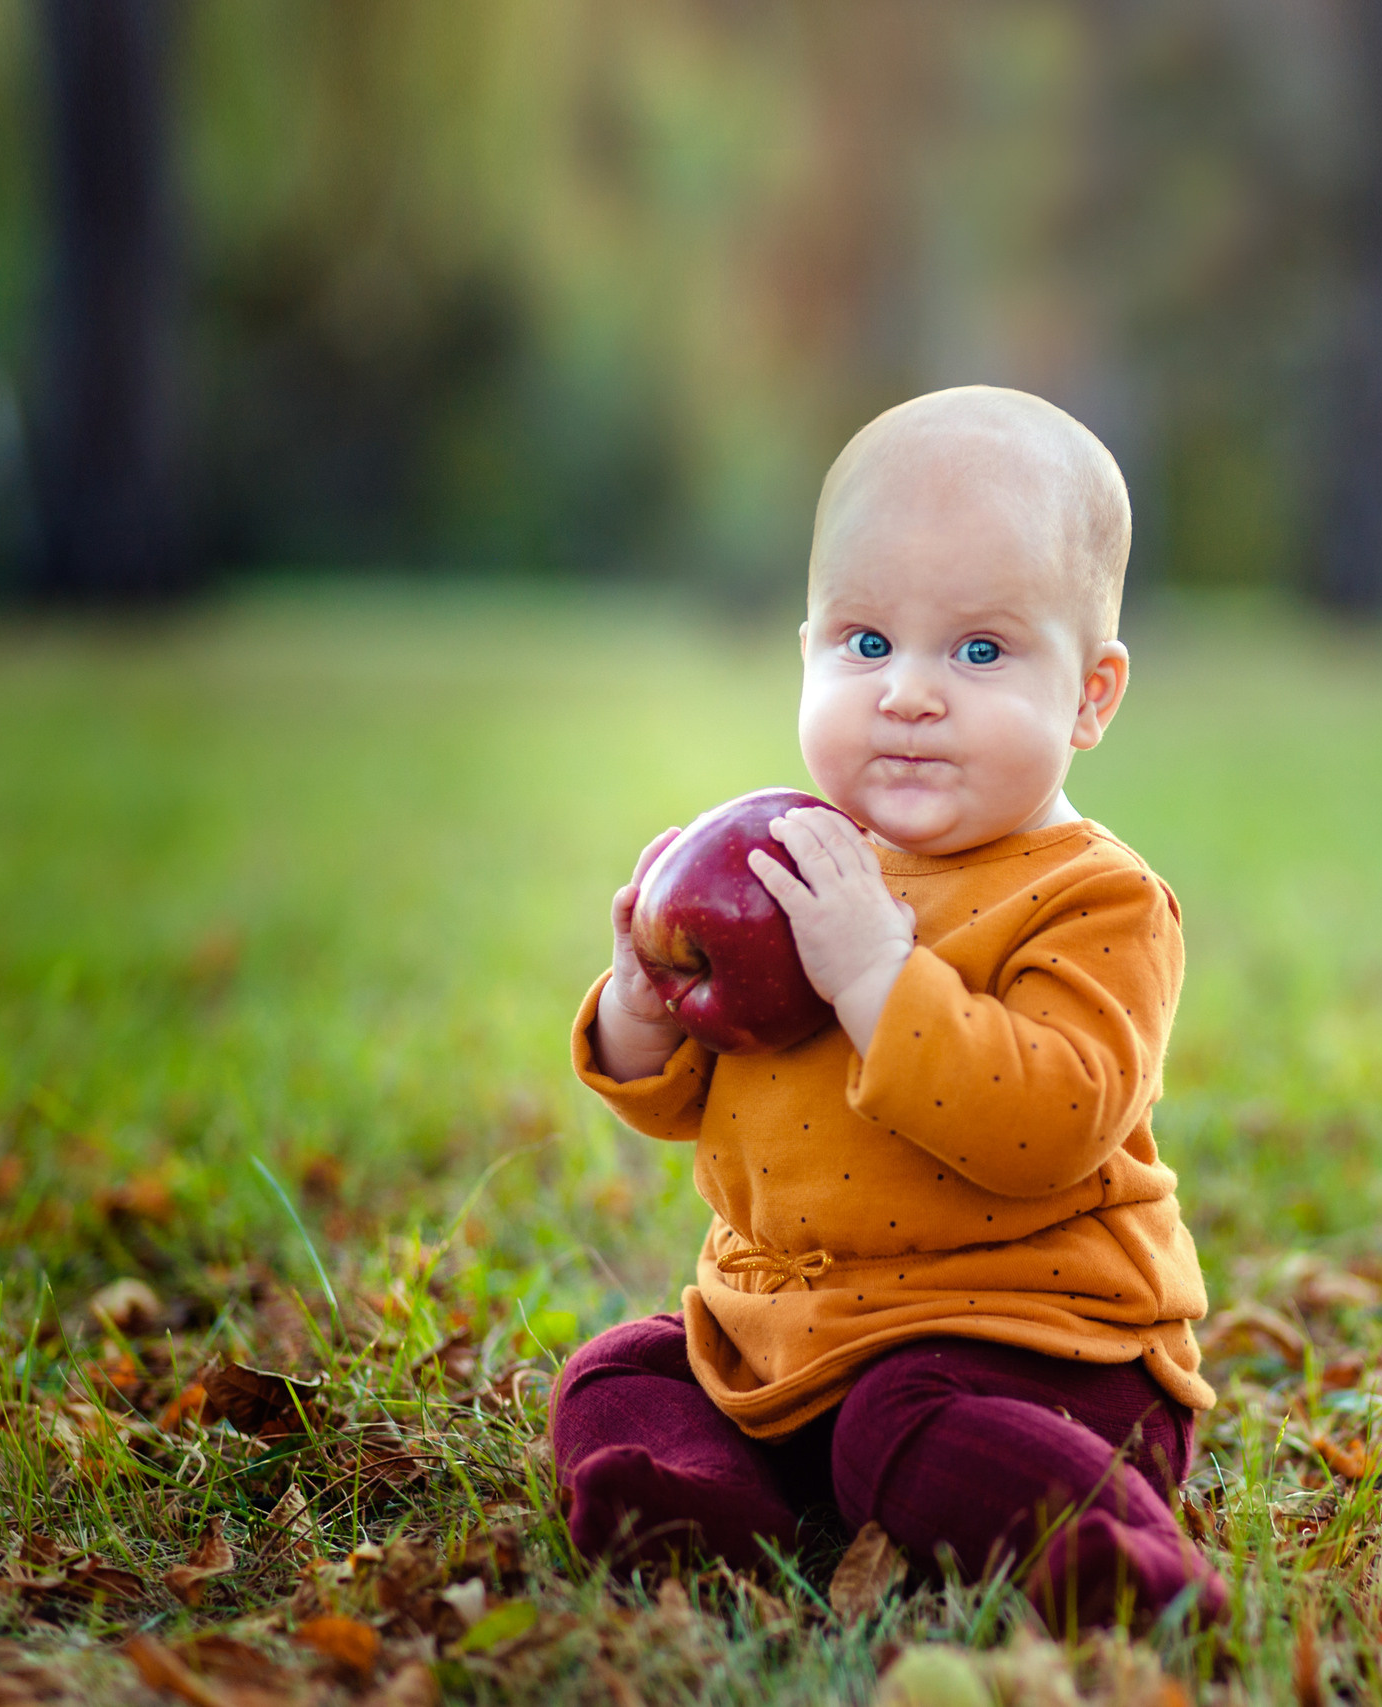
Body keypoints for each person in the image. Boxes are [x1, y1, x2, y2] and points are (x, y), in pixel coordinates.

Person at [552, 386, 1222, 1632]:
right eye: (865, 644)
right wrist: (644, 1007)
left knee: (909, 1427)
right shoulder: (794, 861)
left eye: (978, 651)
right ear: (805, 649)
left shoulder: (1096, 901)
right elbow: (698, 1090)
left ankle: (1124, 1565)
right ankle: (708, 1511)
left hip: (1037, 1355)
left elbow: (1047, 1126)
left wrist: (875, 976)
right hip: (796, 1344)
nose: (908, 693)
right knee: (628, 1369)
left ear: (1091, 696)